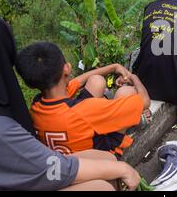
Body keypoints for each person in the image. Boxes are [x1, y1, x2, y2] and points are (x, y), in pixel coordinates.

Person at [0, 15, 140, 191]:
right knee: (102, 186)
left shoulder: (35, 105)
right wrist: (122, 168)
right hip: (32, 174)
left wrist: (111, 67)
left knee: (107, 163)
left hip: (13, 172)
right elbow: (49, 168)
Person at [16, 42, 150, 156]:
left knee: (96, 81)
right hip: (100, 155)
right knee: (126, 92)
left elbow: (80, 81)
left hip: (71, 147)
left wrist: (114, 67)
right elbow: (145, 101)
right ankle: (134, 118)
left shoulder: (36, 105)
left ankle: (126, 113)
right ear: (67, 68)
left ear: (30, 84)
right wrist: (134, 78)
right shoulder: (86, 110)